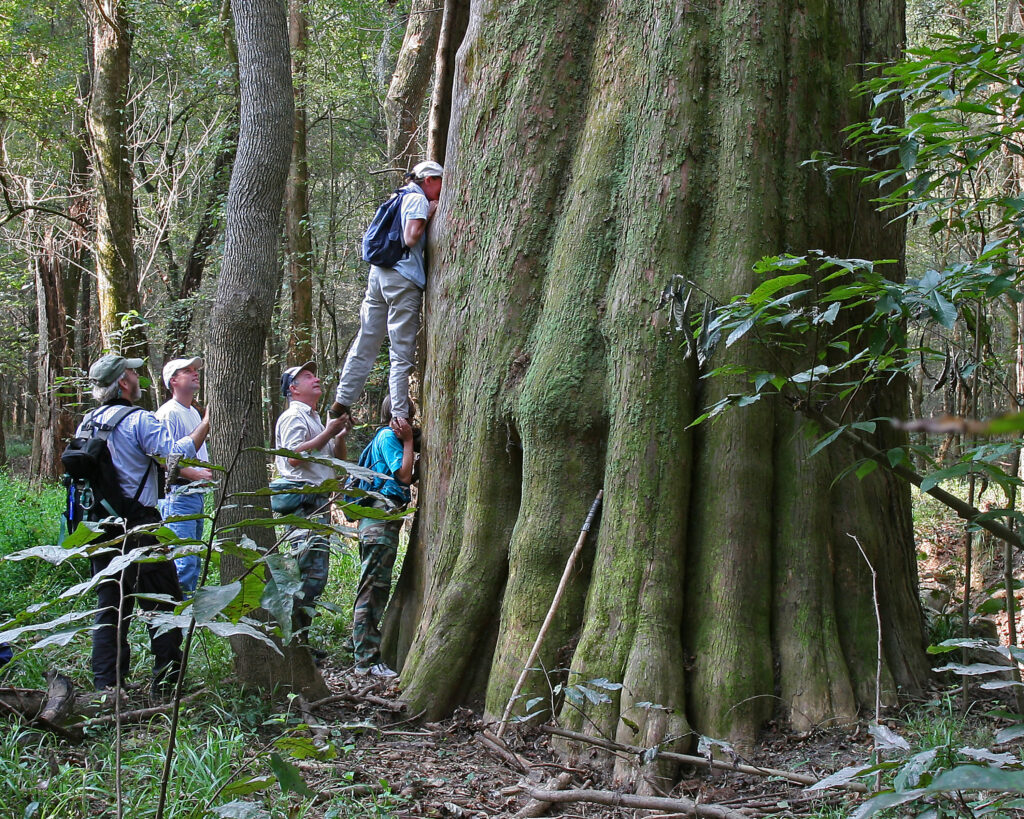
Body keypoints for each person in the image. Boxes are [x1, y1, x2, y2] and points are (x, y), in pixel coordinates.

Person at [79, 354, 210, 695]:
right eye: (133, 373)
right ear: (123, 382)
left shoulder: (88, 422)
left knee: (110, 605)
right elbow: (174, 457)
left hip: (98, 527)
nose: (139, 377)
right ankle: (167, 683)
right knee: (163, 603)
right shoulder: (139, 420)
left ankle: (108, 686)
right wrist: (206, 425)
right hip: (140, 526)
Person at [329, 160, 443, 425]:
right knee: (401, 351)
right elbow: (411, 237)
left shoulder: (398, 195)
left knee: (366, 339)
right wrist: (428, 214)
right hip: (401, 279)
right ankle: (400, 416)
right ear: (428, 180)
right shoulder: (416, 200)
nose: (442, 188)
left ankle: (341, 402)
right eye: (440, 182)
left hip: (378, 275)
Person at [274, 361, 349, 652]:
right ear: (293, 389)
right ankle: (294, 645)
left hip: (318, 503)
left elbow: (335, 462)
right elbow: (293, 457)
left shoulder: (316, 420)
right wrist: (328, 434)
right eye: (307, 377)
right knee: (307, 575)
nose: (315, 379)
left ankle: (299, 642)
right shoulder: (293, 416)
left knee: (315, 575)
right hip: (303, 504)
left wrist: (337, 436)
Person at [350, 396, 416, 678]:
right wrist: (410, 441)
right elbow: (402, 475)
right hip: (379, 521)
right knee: (372, 589)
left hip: (377, 521)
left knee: (373, 586)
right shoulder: (389, 437)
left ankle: (360, 648)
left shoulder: (384, 438)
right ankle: (365, 660)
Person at [155, 356, 213, 595]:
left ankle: (187, 610)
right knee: (183, 559)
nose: (194, 373)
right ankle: (174, 612)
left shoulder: (193, 413)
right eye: (187, 371)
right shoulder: (168, 413)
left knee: (194, 557)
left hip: (194, 495)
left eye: (195, 370)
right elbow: (164, 460)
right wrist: (195, 474)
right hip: (178, 495)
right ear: (173, 380)